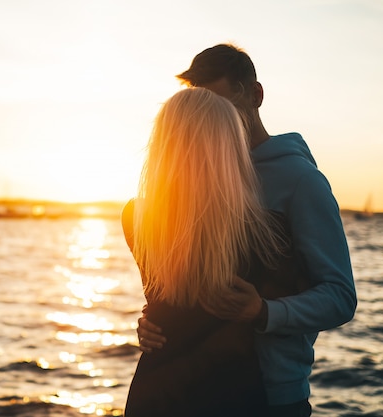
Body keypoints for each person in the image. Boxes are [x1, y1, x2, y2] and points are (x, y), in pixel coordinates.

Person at [136, 43, 357, 417]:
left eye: (224, 107)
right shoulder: (196, 177)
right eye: (203, 108)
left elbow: (339, 296)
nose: (213, 121)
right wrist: (156, 317)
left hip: (274, 393)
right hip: (201, 386)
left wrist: (264, 312)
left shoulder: (300, 181)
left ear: (255, 95)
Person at [123, 86, 290, 416]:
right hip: (232, 392)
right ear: (229, 146)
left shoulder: (137, 217)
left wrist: (146, 321)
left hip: (155, 391)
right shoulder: (270, 231)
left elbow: (165, 300)